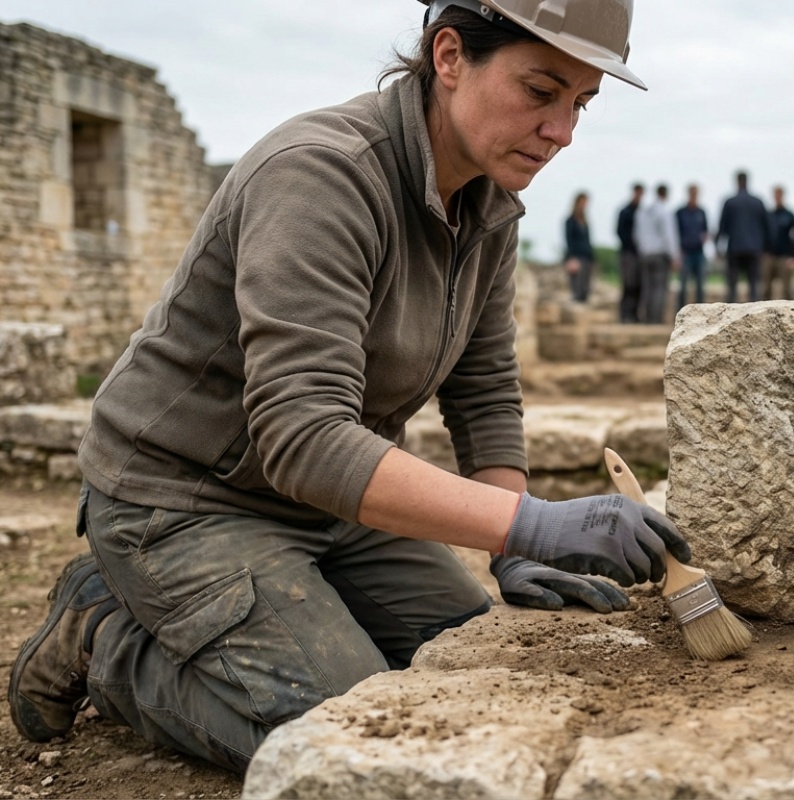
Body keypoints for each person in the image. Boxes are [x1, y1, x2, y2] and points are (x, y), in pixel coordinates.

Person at [7, 0, 690, 776]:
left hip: (333, 504)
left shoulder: (487, 204)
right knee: (353, 734)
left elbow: (485, 387)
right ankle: (105, 637)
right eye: (540, 91)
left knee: (466, 672)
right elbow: (302, 437)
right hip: (184, 498)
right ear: (450, 56)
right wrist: (528, 523)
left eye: (581, 103)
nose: (562, 131)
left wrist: (511, 551)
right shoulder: (320, 176)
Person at [716, 170, 770, 303]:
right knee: (753, 285)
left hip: (735, 247)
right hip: (754, 248)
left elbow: (722, 227)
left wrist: (717, 246)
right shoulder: (758, 202)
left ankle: (729, 315)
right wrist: (766, 248)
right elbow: (767, 227)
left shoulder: (730, 202)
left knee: (732, 285)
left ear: (737, 182)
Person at [633, 183, 678, 324]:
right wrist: (674, 255)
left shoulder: (642, 211)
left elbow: (636, 234)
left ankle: (646, 317)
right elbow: (668, 235)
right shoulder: (664, 211)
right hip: (659, 254)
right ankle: (655, 319)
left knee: (647, 287)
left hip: (645, 253)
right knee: (659, 288)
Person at [674, 183, 709, 311]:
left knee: (700, 285)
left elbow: (705, 230)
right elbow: (675, 233)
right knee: (683, 286)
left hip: (698, 252)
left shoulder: (701, 212)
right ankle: (680, 312)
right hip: (685, 253)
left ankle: (700, 312)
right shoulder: (680, 212)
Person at [616, 183, 644, 322]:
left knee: (639, 286)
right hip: (628, 253)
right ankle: (625, 315)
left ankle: (634, 315)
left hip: (640, 253)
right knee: (628, 284)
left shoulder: (643, 212)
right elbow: (620, 232)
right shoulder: (625, 212)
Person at [764, 185, 794, 301]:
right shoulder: (769, 216)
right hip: (769, 256)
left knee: (787, 290)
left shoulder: (789, 215)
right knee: (766, 288)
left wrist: (793, 256)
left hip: (785, 256)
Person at [563, 191, 594, 303]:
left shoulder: (585, 221)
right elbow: (569, 240)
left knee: (585, 287)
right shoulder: (570, 221)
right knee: (577, 287)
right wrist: (571, 257)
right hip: (575, 256)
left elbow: (588, 240)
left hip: (586, 256)